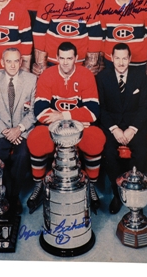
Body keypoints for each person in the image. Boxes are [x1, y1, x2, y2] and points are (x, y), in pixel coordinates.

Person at [26, 41, 106, 214]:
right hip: (54, 127)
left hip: (78, 127)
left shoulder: (86, 75)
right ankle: (38, 185)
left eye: (69, 58)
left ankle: (91, 186)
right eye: (61, 58)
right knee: (36, 138)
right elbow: (40, 111)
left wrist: (63, 115)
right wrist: (73, 118)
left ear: (76, 58)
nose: (65, 63)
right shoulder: (47, 75)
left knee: (96, 138)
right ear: (56, 58)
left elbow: (92, 112)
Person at [96, 43, 147, 214]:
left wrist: (132, 129)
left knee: (141, 151)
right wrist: (114, 129)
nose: (120, 62)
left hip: (134, 125)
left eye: (124, 58)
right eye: (117, 58)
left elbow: (144, 107)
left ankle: (135, 192)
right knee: (109, 153)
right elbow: (101, 108)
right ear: (111, 58)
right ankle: (117, 193)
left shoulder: (140, 77)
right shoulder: (102, 77)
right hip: (111, 125)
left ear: (130, 59)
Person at [0, 47, 37, 214]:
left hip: (23, 130)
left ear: (21, 62)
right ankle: (4, 191)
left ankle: (13, 196)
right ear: (2, 63)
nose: (13, 65)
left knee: (22, 155)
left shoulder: (32, 79)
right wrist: (7, 131)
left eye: (16, 61)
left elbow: (36, 110)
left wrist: (19, 129)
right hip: (0, 130)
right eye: (8, 61)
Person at [32, 0, 103, 75]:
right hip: (53, 60)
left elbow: (95, 33)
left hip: (79, 61)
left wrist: (91, 62)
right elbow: (39, 32)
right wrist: (41, 62)